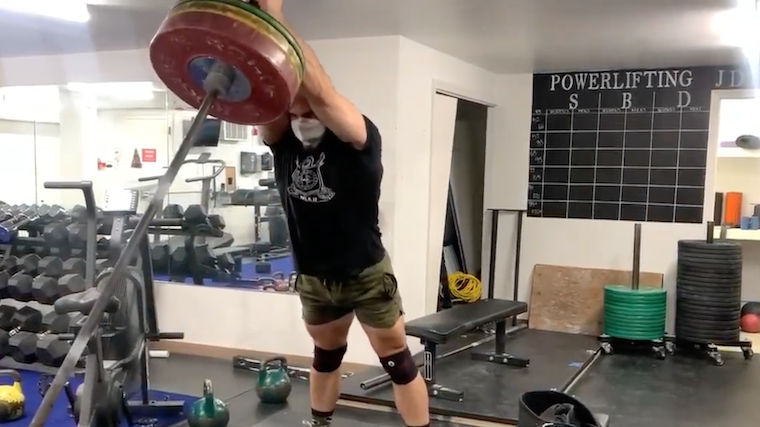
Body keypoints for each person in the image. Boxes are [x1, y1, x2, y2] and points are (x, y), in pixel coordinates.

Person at [243, 1, 431, 426]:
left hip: (365, 273)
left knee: (398, 363)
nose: (302, 114)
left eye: (310, 107)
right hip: (314, 278)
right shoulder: (283, 146)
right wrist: (253, 44)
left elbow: (323, 93)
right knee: (326, 357)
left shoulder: (358, 140)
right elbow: (266, 104)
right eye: (295, 107)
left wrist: (274, 16)